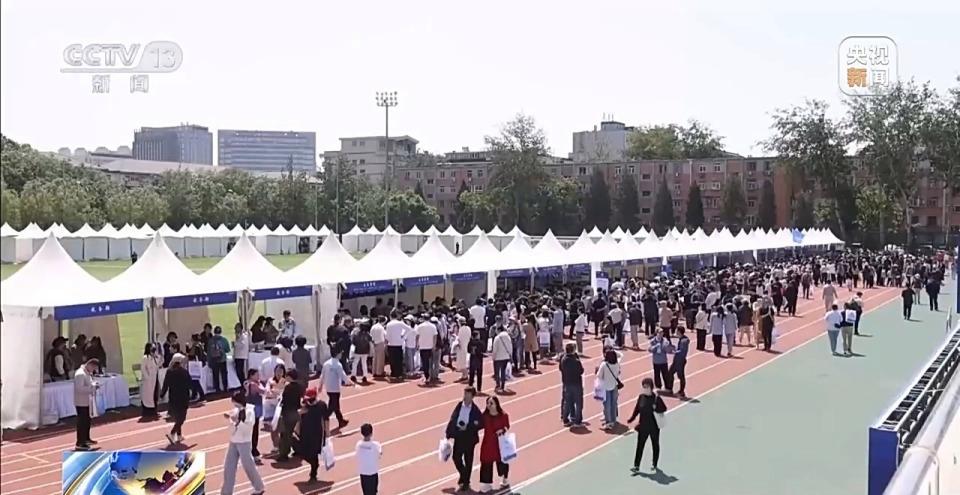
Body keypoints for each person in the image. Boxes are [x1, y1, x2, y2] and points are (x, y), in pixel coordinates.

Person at [220, 392, 265, 495]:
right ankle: (226, 492)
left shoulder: (249, 411)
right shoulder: (236, 410)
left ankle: (259, 486)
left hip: (244, 442)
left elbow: (247, 427)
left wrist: (236, 422)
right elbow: (233, 422)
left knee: (248, 466)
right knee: (229, 467)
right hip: (234, 441)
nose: (234, 405)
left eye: (235, 403)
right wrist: (231, 419)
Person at [445, 387, 483, 492]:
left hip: (469, 437)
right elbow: (453, 418)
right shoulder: (459, 405)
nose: (465, 396)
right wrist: (448, 432)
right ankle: (464, 475)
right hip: (459, 435)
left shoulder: (475, 410)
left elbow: (480, 423)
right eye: (465, 394)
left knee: (468, 460)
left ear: (472, 396)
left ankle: (466, 482)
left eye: (468, 394)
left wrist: (468, 426)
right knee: (456, 457)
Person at [627, 377, 668, 473]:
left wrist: (656, 408)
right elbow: (637, 409)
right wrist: (632, 418)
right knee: (640, 446)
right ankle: (636, 465)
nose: (644, 388)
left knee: (655, 445)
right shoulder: (641, 397)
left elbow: (664, 408)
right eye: (643, 386)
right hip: (643, 426)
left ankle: (654, 463)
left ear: (651, 387)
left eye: (646, 386)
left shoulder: (656, 398)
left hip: (654, 427)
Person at [297, 387, 331, 483]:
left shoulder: (322, 405)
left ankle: (313, 472)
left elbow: (326, 419)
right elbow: (298, 416)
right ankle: (314, 465)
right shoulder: (304, 405)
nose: (308, 401)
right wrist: (300, 413)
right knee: (302, 452)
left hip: (316, 433)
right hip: (304, 432)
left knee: (314, 452)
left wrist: (327, 431)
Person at [478, 396, 511, 492]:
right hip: (488, 443)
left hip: (499, 443)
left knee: (502, 461)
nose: (489, 405)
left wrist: (502, 430)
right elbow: (478, 424)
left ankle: (504, 478)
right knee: (486, 461)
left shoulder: (503, 415)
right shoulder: (485, 416)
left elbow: (507, 426)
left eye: (491, 403)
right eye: (487, 403)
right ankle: (486, 484)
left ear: (496, 404)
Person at [160, 354, 192, 445]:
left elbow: (165, 384)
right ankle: (172, 433)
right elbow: (190, 383)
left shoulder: (169, 371)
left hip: (173, 397)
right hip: (183, 397)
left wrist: (162, 394)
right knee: (181, 418)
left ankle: (179, 435)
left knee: (178, 416)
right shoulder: (184, 372)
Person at [276, 369, 304, 461]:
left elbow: (282, 398)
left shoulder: (288, 387)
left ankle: (283, 454)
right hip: (296, 411)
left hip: (287, 412)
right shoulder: (300, 386)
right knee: (292, 432)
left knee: (285, 434)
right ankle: (299, 449)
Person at [319, 350, 351, 431]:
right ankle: (323, 418)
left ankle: (341, 420)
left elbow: (322, 375)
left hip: (328, 388)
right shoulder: (338, 365)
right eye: (340, 353)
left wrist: (320, 385)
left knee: (335, 404)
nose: (341, 354)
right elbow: (343, 376)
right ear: (337, 354)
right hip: (335, 388)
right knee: (333, 406)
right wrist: (351, 383)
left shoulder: (326, 364)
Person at [73, 358, 100, 450]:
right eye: (93, 368)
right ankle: (80, 442)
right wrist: (92, 388)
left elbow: (88, 383)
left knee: (87, 421)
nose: (93, 370)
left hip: (87, 401)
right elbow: (79, 388)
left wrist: (94, 384)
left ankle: (86, 438)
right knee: (82, 422)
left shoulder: (87, 373)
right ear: (90, 365)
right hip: (81, 402)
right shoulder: (80, 374)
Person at [263, 364, 286, 457]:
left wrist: (275, 392)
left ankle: (283, 446)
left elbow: (283, 393)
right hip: (270, 407)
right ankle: (276, 446)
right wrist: (275, 393)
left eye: (281, 371)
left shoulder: (285, 381)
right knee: (272, 427)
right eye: (277, 371)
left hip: (280, 407)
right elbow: (267, 392)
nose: (279, 373)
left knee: (281, 427)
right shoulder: (270, 381)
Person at [596, 349, 622, 431]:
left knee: (607, 405)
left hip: (606, 387)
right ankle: (613, 420)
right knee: (613, 404)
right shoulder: (617, 364)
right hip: (614, 386)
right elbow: (618, 373)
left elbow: (599, 376)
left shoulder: (604, 365)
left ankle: (608, 422)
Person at [559, 343, 584, 427]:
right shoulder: (576, 361)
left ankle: (565, 418)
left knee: (567, 401)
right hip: (576, 383)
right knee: (578, 403)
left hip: (567, 383)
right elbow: (581, 371)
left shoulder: (563, 359)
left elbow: (561, 368)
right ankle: (578, 421)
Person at [244, 369, 265, 462]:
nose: (258, 376)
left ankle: (252, 449)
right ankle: (253, 450)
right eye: (256, 375)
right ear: (251, 375)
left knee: (253, 429)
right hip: (253, 409)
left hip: (254, 408)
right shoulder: (252, 384)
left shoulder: (253, 383)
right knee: (254, 430)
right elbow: (263, 391)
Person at [355, 423, 382, 495]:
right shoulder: (376, 445)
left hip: (363, 473)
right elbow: (379, 455)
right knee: (373, 492)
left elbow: (357, 455)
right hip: (373, 473)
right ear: (371, 433)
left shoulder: (358, 445)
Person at [140, 343, 162, 418]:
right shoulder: (145, 358)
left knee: (155, 394)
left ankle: (154, 410)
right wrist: (147, 377)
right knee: (148, 396)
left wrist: (158, 355)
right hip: (148, 381)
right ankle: (147, 411)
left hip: (154, 379)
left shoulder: (154, 358)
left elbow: (159, 364)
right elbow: (143, 368)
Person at [416, 315, 439, 384]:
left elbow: (417, 336)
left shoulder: (420, 326)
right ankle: (429, 375)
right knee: (430, 362)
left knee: (424, 362)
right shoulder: (433, 326)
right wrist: (434, 345)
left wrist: (417, 344)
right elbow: (435, 336)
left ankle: (427, 376)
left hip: (422, 346)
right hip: (430, 346)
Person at [491, 324, 513, 393]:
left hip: (498, 357)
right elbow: (510, 347)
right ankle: (502, 385)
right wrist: (510, 355)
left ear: (499, 330)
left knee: (497, 372)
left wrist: (493, 357)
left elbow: (495, 349)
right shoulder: (508, 337)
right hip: (506, 357)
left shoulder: (497, 338)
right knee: (503, 371)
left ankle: (498, 385)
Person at [208, 326, 231, 393]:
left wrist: (209, 361)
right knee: (224, 374)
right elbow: (228, 350)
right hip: (222, 360)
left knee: (215, 375)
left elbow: (209, 352)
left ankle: (217, 389)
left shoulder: (210, 340)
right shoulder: (224, 340)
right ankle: (225, 388)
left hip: (214, 360)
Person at [670, 327, 690, 398]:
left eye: (677, 331)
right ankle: (670, 388)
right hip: (677, 360)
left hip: (680, 361)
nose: (676, 332)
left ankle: (681, 391)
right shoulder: (682, 339)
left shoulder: (684, 341)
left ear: (679, 332)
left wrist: (674, 352)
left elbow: (682, 351)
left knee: (681, 376)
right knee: (670, 373)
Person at [232, 323, 250, 388]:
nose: (235, 329)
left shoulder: (243, 336)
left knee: (240, 371)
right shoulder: (239, 336)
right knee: (238, 371)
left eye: (236, 327)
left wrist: (235, 343)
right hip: (237, 355)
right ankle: (241, 383)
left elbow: (242, 345)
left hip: (241, 356)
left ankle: (243, 383)